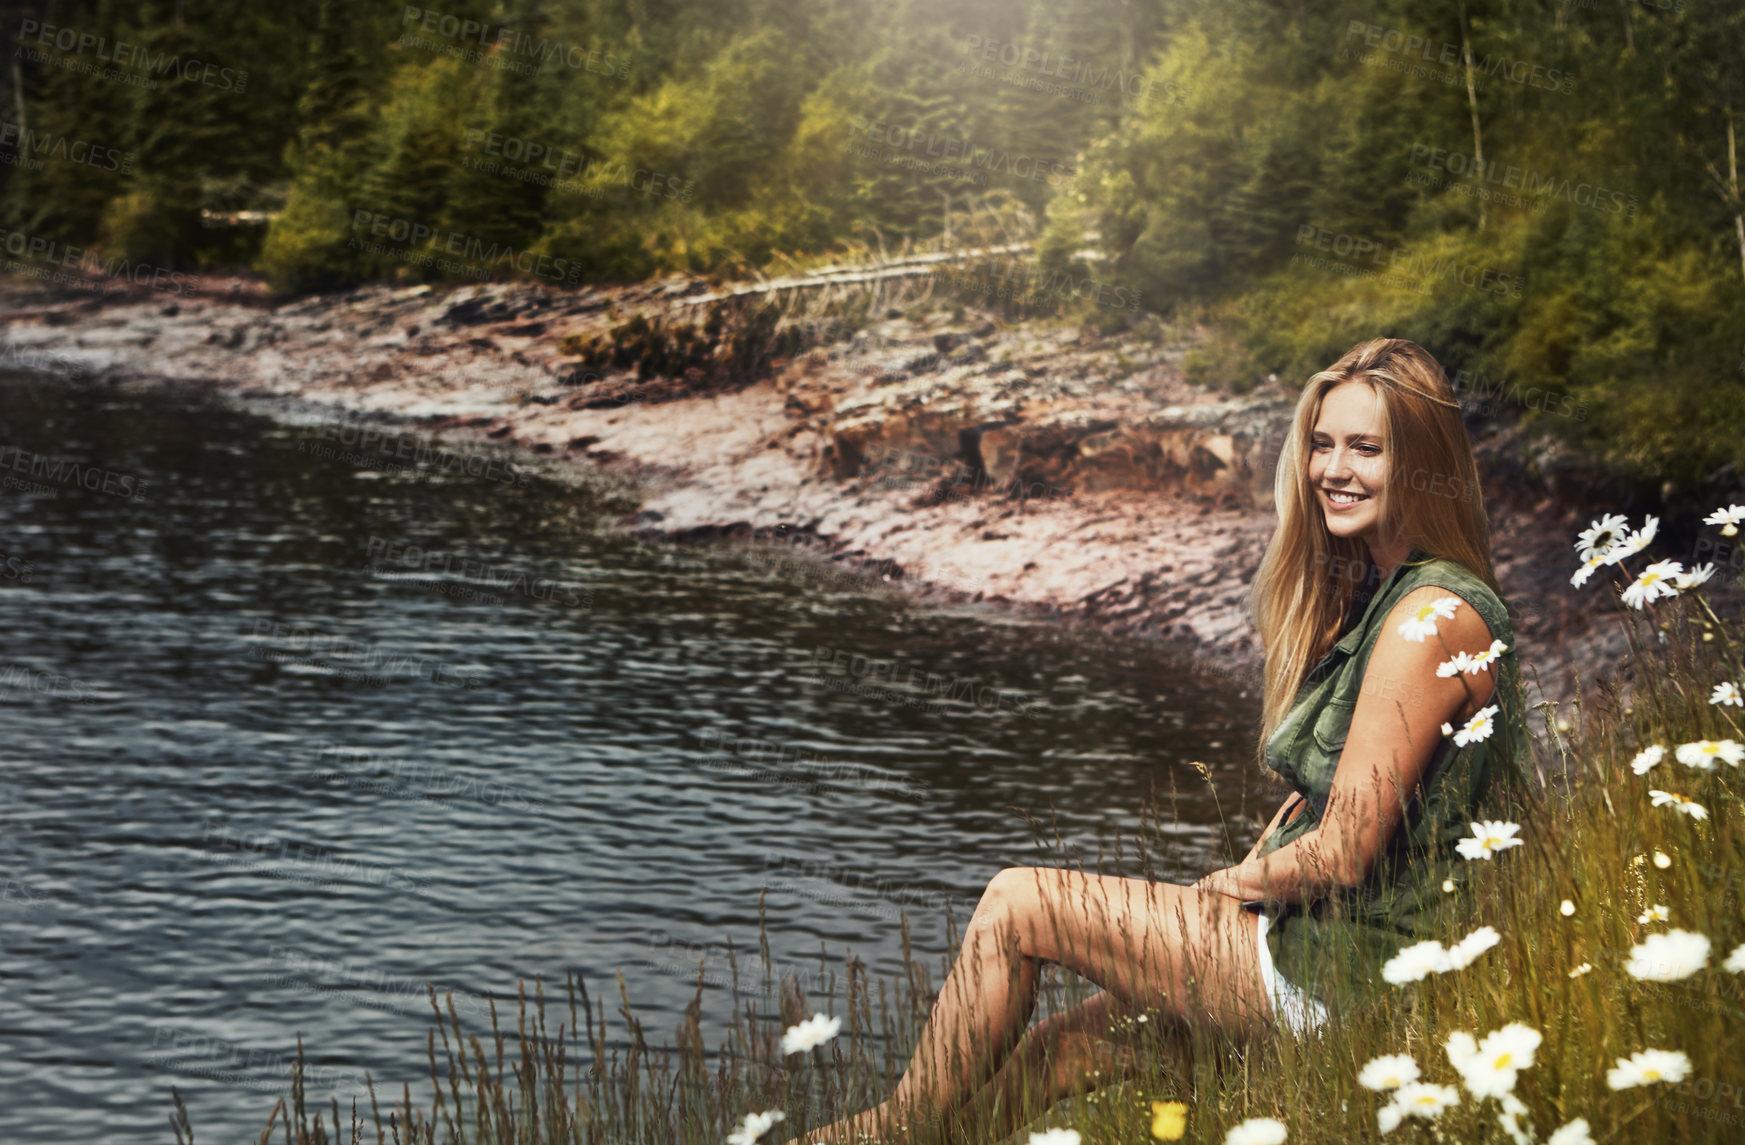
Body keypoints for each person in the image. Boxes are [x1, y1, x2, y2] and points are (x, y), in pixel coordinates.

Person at [787, 337, 1529, 1144]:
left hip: (1348, 974)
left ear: (1420, 461)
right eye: (1320, 442)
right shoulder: (1397, 594)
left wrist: (1222, 888)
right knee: (1062, 1051)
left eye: (1365, 447)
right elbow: (1350, 793)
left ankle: (888, 1131)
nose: (1331, 469)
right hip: (1321, 948)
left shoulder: (1429, 617)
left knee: (1016, 902)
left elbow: (1345, 852)